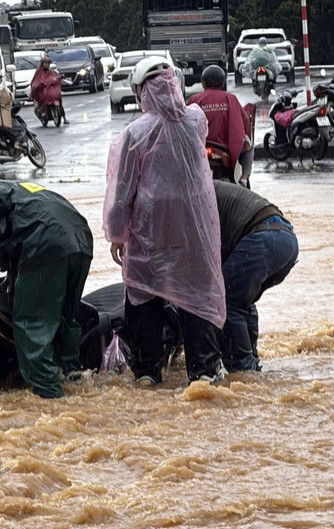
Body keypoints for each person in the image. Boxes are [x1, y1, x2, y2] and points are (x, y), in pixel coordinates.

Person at [103, 56, 227, 386]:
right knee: (195, 295)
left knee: (143, 297)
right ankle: (202, 372)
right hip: (194, 230)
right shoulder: (196, 120)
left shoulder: (134, 133)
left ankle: (147, 373)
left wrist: (117, 234)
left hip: (150, 232)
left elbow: (122, 191)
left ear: (141, 93)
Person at [0, 172, 93, 399]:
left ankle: (49, 395)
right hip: (81, 242)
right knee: (64, 317)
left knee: (32, 323)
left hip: (46, 245)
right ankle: (74, 380)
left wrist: (3, 262)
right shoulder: (27, 190)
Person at [213, 181, 299, 372]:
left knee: (227, 301)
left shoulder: (195, 197)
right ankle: (251, 362)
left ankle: (243, 370)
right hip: (286, 240)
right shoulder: (206, 187)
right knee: (242, 300)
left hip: (263, 237)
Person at [188, 65, 254, 187]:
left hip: (200, 146)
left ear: (203, 82)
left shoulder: (194, 99)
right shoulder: (230, 98)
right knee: (249, 146)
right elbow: (244, 120)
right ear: (222, 81)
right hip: (225, 148)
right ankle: (244, 179)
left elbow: (185, 124)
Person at [31, 56, 69, 125]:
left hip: (51, 90)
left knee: (59, 99)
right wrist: (39, 84)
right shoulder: (39, 71)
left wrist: (60, 78)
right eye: (45, 63)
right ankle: (42, 112)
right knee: (43, 99)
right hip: (42, 90)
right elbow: (35, 81)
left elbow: (56, 76)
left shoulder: (51, 71)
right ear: (42, 63)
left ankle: (64, 118)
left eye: (47, 63)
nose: (46, 64)